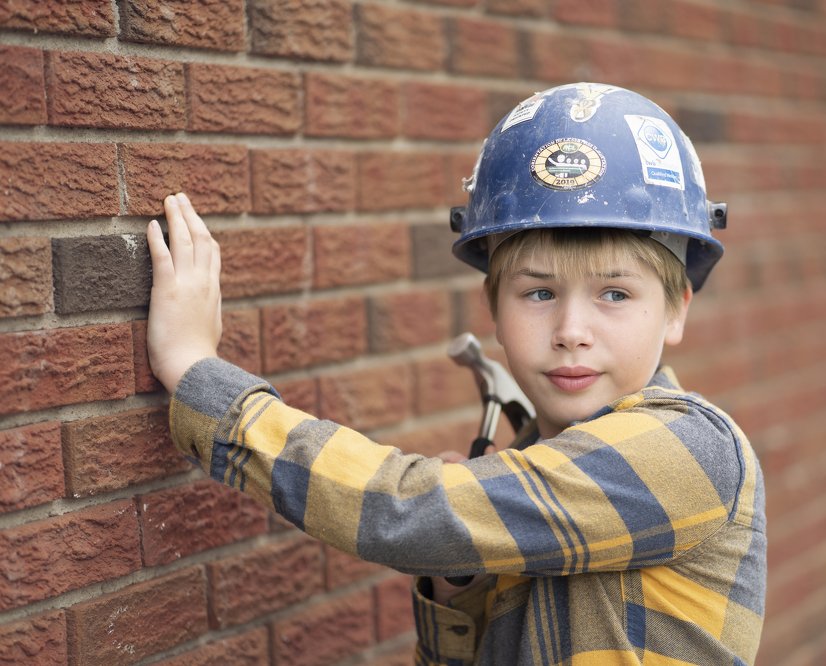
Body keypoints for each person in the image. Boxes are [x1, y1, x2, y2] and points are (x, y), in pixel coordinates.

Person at [146, 82, 766, 665]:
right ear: (493, 309)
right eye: (539, 293)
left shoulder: (692, 448)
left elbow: (406, 512)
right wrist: (457, 587)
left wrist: (199, 375)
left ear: (677, 308)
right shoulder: (522, 483)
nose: (573, 329)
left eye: (615, 294)